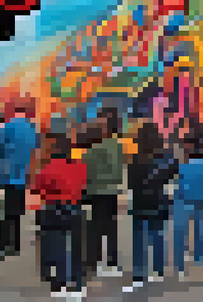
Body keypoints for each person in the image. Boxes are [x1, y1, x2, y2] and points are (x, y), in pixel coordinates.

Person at [30, 130, 88, 299]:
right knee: (77, 246)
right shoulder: (80, 166)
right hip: (75, 207)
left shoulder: (47, 168)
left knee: (57, 247)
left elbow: (37, 189)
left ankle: (60, 283)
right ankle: (78, 283)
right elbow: (84, 186)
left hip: (53, 209)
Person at [124, 121, 177, 293]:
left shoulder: (135, 160)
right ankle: (158, 270)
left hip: (140, 203)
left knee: (139, 240)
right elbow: (172, 175)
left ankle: (139, 274)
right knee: (158, 236)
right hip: (159, 201)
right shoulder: (166, 160)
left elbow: (131, 184)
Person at [0, 99, 39, 260]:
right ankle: (15, 244)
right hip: (24, 176)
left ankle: (3, 245)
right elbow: (35, 151)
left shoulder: (7, 127)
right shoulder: (32, 129)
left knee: (6, 212)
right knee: (16, 211)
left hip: (8, 175)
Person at [81, 112, 125, 280]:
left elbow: (87, 173)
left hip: (96, 192)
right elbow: (118, 172)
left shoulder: (92, 151)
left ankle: (94, 261)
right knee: (111, 227)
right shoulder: (117, 146)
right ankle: (112, 261)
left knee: (95, 228)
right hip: (112, 192)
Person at [172, 133, 203, 279]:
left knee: (180, 231)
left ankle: (180, 262)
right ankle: (199, 257)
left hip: (185, 201)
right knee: (200, 229)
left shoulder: (183, 167)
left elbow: (180, 185)